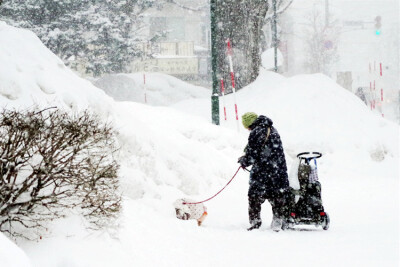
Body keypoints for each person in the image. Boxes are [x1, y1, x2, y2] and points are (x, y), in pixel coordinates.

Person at [238, 112, 290, 231]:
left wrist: (244, 161)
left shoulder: (256, 132)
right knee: (277, 196)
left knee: (254, 196)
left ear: (249, 124)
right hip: (278, 170)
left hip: (262, 171)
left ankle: (255, 221)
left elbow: (253, 155)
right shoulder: (272, 129)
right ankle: (277, 220)